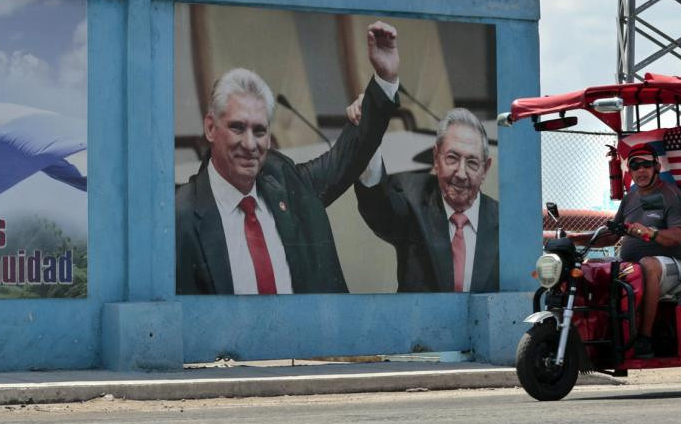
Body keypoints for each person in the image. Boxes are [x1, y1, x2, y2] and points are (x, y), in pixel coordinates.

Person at [174, 21, 401, 295]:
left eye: (259, 131)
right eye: (237, 127)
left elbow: (345, 159)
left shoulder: (284, 180)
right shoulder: (181, 215)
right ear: (210, 128)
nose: (250, 144)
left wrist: (384, 80)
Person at [352, 108, 498, 292]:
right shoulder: (413, 200)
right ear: (436, 158)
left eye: (472, 163)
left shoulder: (503, 222)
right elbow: (378, 205)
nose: (461, 174)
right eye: (452, 158)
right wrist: (369, 136)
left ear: (485, 169)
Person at [607, 144, 681, 358]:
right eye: (635, 166)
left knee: (648, 264)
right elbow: (612, 234)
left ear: (657, 166)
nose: (640, 170)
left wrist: (651, 234)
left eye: (646, 165)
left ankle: (645, 339)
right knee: (596, 269)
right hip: (636, 268)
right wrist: (575, 239)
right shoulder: (631, 198)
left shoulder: (670, 195)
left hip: (678, 268)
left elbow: (677, 237)